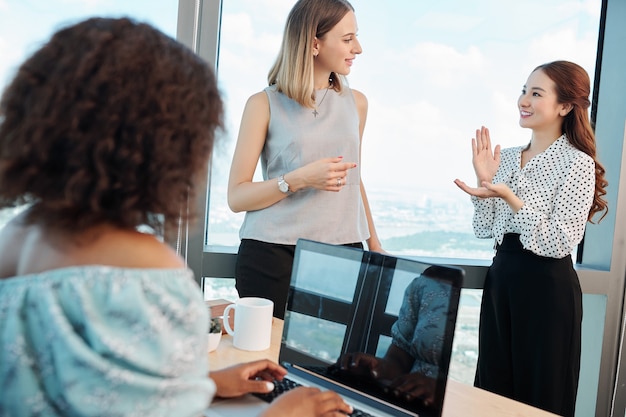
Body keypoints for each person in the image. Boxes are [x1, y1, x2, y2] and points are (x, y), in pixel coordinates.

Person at [0, 17, 353, 417]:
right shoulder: (146, 271)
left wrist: (204, 385)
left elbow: (84, 385)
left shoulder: (13, 238)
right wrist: (286, 412)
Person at [454, 60, 608, 416]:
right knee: (492, 394)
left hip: (548, 290)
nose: (524, 100)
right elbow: (484, 230)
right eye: (524, 91)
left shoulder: (577, 163)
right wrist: (484, 184)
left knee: (543, 396)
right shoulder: (504, 158)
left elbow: (559, 242)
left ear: (565, 106)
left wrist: (510, 197)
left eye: (536, 93)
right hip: (501, 283)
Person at [227, 0, 384, 319]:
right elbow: (237, 196)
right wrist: (298, 179)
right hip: (271, 255)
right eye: (347, 38)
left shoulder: (357, 104)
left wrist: (375, 246)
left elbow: (353, 179)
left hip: (342, 253)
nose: (358, 48)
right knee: (269, 366)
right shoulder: (263, 104)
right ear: (315, 43)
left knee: (330, 365)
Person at [335, 267, 454, 409]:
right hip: (403, 403)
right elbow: (400, 360)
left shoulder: (484, 295)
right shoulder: (430, 282)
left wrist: (445, 391)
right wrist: (379, 368)